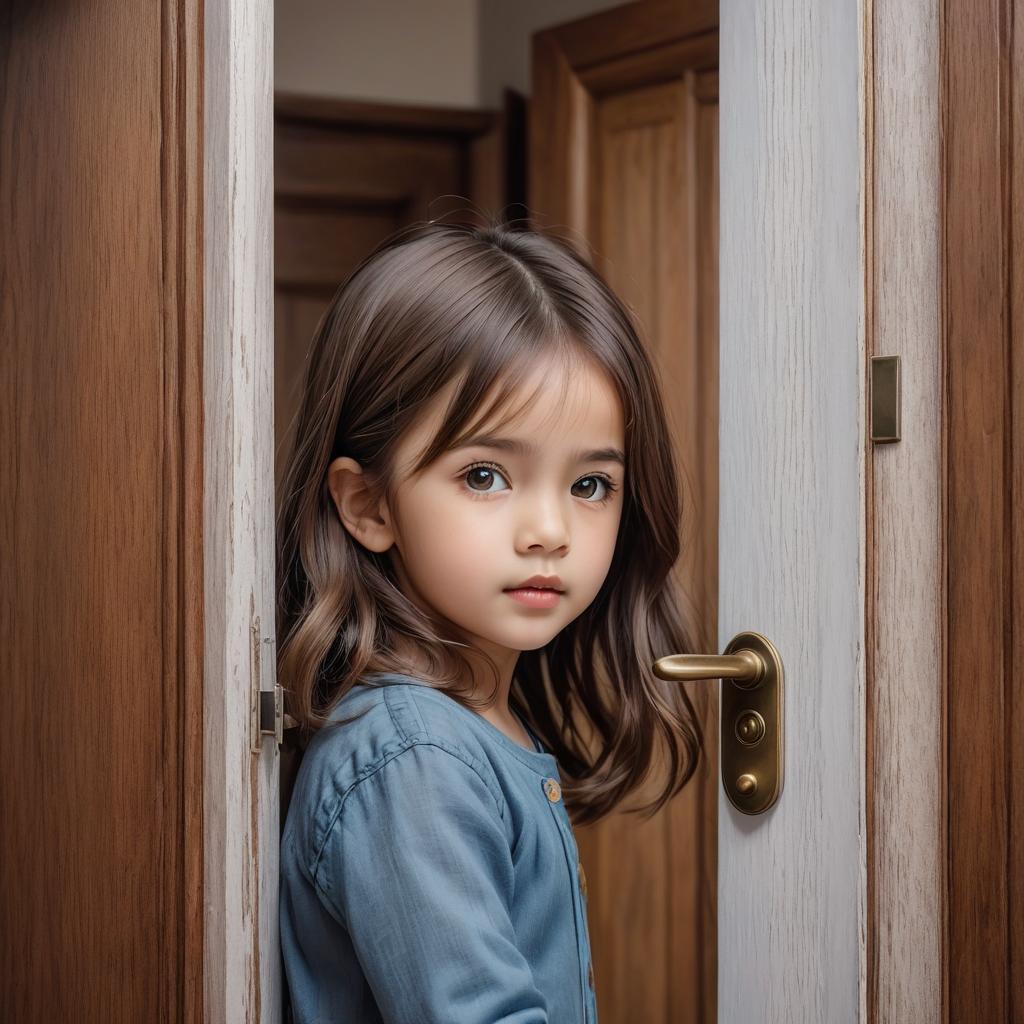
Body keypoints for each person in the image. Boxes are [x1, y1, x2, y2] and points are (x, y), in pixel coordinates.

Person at [276, 216, 704, 1024]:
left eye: (590, 486)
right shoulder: (412, 758)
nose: (549, 529)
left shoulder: (475, 720)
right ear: (368, 505)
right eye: (485, 475)